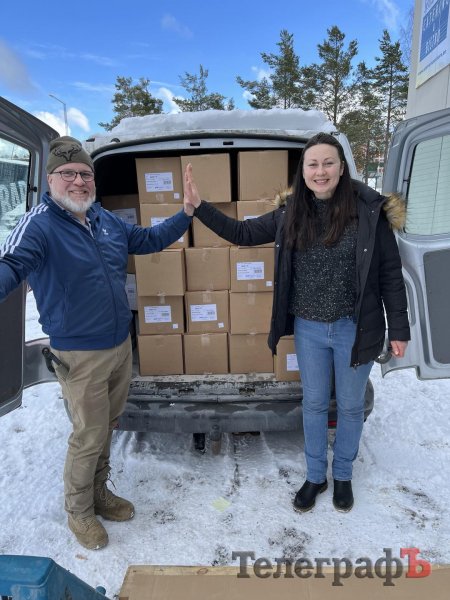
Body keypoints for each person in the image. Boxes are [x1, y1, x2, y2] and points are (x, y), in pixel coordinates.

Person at [183, 132, 410, 513]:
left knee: (351, 406)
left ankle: (343, 475)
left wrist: (399, 329)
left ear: (341, 168)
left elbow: (390, 273)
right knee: (315, 404)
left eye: (328, 163)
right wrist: (199, 207)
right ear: (303, 171)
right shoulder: (290, 213)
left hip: (354, 327)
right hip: (309, 329)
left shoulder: (370, 212)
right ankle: (316, 476)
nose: (320, 171)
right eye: (312, 164)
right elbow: (243, 233)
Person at [0, 136, 192, 549]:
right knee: (88, 436)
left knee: (108, 427)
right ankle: (79, 511)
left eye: (85, 174)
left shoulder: (105, 220)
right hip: (80, 354)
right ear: (50, 179)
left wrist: (187, 213)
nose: (78, 181)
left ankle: (100, 493)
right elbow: (11, 265)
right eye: (68, 174)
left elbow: (149, 240)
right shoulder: (39, 225)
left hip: (119, 345)